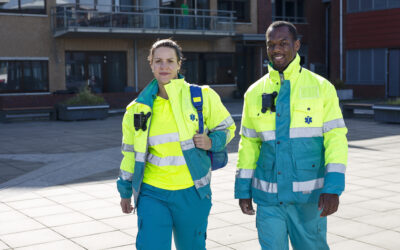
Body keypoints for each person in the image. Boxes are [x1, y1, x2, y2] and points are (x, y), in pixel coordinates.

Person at [235, 21, 348, 250]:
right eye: (271, 44)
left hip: (309, 198)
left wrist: (333, 188)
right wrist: (243, 189)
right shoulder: (254, 92)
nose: (276, 49)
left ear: (296, 46)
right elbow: (248, 144)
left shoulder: (321, 87)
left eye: (283, 43)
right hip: (269, 200)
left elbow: (336, 139)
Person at [117, 39, 236, 250]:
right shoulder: (136, 109)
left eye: (170, 61)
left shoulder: (202, 97)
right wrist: (125, 190)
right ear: (151, 64)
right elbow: (129, 154)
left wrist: (211, 141)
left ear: (179, 64)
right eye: (158, 61)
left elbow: (228, 128)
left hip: (192, 192)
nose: (164, 66)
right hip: (153, 192)